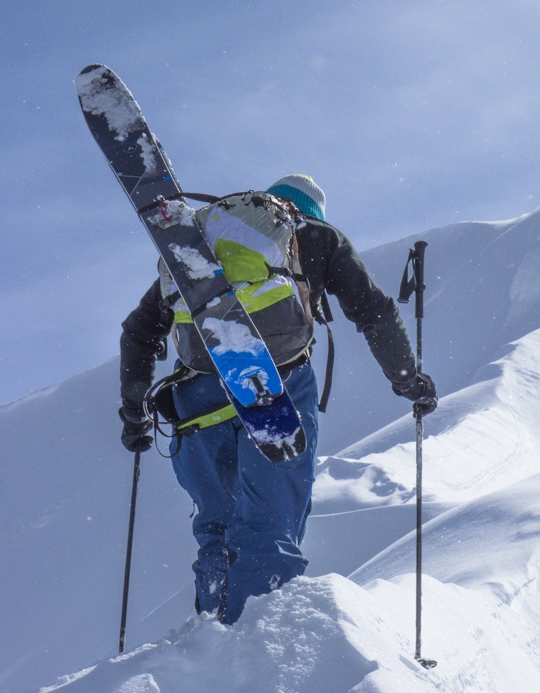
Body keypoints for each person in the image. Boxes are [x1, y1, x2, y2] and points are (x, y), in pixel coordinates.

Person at [118, 173, 438, 624]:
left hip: (195, 395)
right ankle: (260, 644)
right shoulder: (316, 236)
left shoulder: (202, 245)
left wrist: (134, 414)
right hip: (272, 385)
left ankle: (210, 639)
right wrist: (408, 380)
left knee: (216, 529)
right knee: (270, 525)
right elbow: (373, 310)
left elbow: (139, 330)